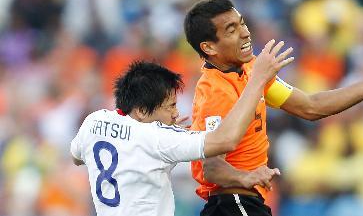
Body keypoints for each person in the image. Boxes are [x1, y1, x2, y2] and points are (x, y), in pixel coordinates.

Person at [183, 0, 363, 216]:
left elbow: (311, 107)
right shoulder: (216, 90)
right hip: (232, 203)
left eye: (242, 24)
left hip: (247, 202)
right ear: (209, 48)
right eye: (231, 30)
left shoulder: (251, 72)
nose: (245, 33)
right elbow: (212, 167)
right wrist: (245, 178)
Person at [69, 39, 293, 216]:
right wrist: (257, 81)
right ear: (142, 111)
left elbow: (77, 157)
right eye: (170, 106)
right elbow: (225, 140)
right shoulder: (157, 137)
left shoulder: (94, 121)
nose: (176, 113)